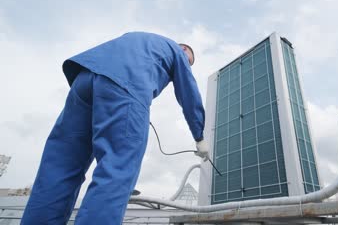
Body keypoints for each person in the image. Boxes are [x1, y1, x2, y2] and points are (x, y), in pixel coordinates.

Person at [21, 32, 209, 225]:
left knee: (60, 165)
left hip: (84, 80)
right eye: (189, 61)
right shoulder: (176, 51)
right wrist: (199, 136)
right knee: (117, 168)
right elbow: (189, 94)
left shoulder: (142, 38)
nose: (187, 65)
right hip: (125, 88)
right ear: (184, 49)